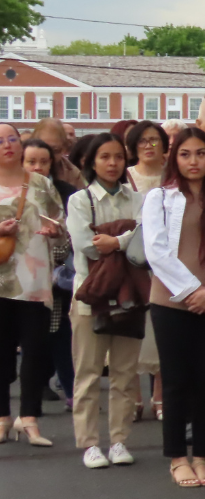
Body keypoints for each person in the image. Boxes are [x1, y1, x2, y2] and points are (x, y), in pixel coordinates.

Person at [143, 127, 205, 488]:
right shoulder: (159, 199)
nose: (193, 161)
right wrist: (192, 290)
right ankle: (177, 457)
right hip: (171, 303)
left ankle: (201, 454)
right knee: (176, 381)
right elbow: (157, 251)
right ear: (174, 158)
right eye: (185, 154)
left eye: (200, 154)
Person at [66, 133, 143, 467]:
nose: (113, 164)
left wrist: (117, 240)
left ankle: (119, 440)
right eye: (105, 157)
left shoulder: (136, 198)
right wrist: (123, 238)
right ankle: (89, 443)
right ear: (91, 162)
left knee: (126, 372)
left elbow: (145, 237)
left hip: (131, 294)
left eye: (118, 157)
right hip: (91, 295)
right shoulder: (81, 200)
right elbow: (85, 242)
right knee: (88, 371)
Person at [0, 123, 64, 447]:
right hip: (1, 281)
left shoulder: (40, 184)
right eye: (0, 141)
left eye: (12, 138)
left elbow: (60, 221)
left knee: (35, 351)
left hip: (35, 281)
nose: (8, 145)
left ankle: (30, 419)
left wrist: (56, 232)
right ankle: (2, 418)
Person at [22, 139, 77, 411]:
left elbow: (71, 238)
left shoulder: (63, 193)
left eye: (44, 162)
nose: (38, 167)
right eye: (31, 161)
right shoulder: (10, 193)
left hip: (55, 278)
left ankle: (71, 392)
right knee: (21, 342)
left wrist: (58, 239)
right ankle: (24, 404)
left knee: (60, 337)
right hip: (16, 280)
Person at [125, 121, 171, 420]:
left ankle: (160, 394)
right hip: (132, 259)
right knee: (131, 328)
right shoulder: (127, 176)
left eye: (155, 140)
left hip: (166, 260)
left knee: (161, 330)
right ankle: (133, 396)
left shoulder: (172, 175)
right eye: (142, 141)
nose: (149, 145)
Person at [31, 118, 84, 189]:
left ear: (63, 148)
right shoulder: (18, 167)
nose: (48, 156)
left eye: (55, 150)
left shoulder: (74, 175)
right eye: (43, 148)